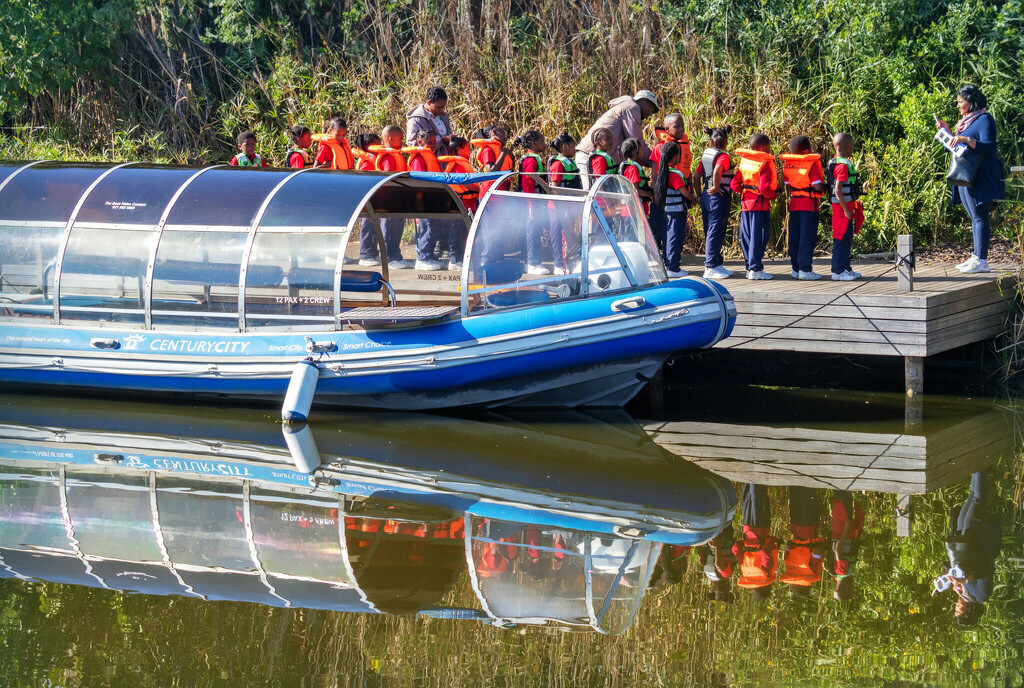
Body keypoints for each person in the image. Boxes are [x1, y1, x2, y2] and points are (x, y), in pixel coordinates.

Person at [936, 84, 1006, 274]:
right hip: (965, 174)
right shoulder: (966, 122)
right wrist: (948, 132)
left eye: (961, 101)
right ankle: (976, 256)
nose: (958, 105)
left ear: (972, 102)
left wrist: (965, 139)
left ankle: (982, 260)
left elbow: (990, 147)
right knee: (973, 217)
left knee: (980, 217)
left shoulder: (984, 119)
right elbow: (953, 146)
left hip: (980, 175)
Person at [933, 470, 1002, 627]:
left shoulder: (961, 591)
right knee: (978, 500)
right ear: (970, 611)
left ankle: (976, 466)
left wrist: (947, 578)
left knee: (971, 497)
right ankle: (980, 465)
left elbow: (952, 564)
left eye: (955, 610)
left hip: (963, 540)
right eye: (959, 611)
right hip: (977, 539)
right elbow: (986, 570)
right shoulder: (980, 596)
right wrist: (964, 579)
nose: (956, 607)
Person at [575, 90, 659, 186]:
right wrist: (654, 161)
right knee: (592, 196)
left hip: (594, 158)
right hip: (592, 159)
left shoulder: (625, 106)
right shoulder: (632, 107)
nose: (650, 113)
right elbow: (636, 142)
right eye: (651, 108)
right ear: (644, 101)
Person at [731, 134, 778, 280]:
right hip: (760, 205)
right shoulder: (764, 163)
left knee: (747, 237)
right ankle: (755, 269)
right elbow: (764, 187)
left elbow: (734, 184)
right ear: (764, 147)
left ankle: (749, 267)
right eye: (769, 146)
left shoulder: (745, 161)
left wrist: (747, 190)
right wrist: (774, 195)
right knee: (759, 237)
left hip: (746, 204)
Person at [780, 136, 827, 280]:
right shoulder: (811, 163)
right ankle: (805, 269)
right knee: (807, 238)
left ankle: (796, 269)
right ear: (807, 149)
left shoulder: (788, 163)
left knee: (795, 237)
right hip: (809, 203)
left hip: (795, 203)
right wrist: (827, 186)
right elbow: (818, 186)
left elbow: (788, 185)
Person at [406, 131, 453, 271]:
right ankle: (423, 258)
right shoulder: (419, 159)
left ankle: (429, 255)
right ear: (420, 142)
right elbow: (418, 181)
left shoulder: (430, 156)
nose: (433, 145)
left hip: (433, 199)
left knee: (433, 228)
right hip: (424, 201)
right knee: (427, 228)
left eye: (434, 142)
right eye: (429, 142)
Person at [367, 126, 412, 270]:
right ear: (391, 139)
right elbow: (388, 177)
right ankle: (390, 257)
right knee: (389, 228)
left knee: (397, 227)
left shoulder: (394, 155)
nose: (402, 141)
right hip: (388, 199)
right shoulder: (387, 157)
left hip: (396, 199)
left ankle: (396, 255)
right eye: (400, 139)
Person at [651, 142, 694, 278]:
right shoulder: (675, 174)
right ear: (674, 156)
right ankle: (673, 267)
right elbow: (684, 192)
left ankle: (668, 264)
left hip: (667, 211)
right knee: (674, 239)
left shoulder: (662, 172)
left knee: (668, 237)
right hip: (676, 211)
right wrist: (693, 198)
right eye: (678, 155)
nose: (679, 158)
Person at [698, 126, 735, 280]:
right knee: (715, 231)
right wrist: (716, 186)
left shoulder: (706, 155)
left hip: (706, 196)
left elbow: (696, 176)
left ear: (710, 140)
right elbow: (718, 170)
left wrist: (699, 194)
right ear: (726, 141)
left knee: (710, 231)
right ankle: (711, 266)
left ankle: (716, 263)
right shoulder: (723, 157)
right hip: (718, 197)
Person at [732, 483, 778, 603]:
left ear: (766, 586)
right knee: (748, 498)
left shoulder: (766, 572)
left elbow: (767, 551)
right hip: (747, 529)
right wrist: (746, 542)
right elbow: (736, 548)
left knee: (760, 496)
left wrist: (773, 541)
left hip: (762, 528)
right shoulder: (745, 571)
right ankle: (747, 478)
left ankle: (757, 474)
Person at [827, 133, 864, 281]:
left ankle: (846, 268)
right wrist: (846, 210)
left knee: (847, 238)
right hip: (842, 209)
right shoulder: (842, 166)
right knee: (840, 238)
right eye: (853, 147)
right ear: (847, 147)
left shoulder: (837, 162)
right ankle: (837, 271)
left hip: (845, 207)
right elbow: (837, 190)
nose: (853, 149)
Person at [514, 130, 549, 275]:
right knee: (532, 231)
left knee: (536, 230)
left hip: (537, 201)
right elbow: (528, 183)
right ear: (534, 143)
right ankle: (532, 262)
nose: (544, 144)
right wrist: (531, 205)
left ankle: (533, 261)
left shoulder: (536, 159)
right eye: (542, 141)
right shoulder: (530, 160)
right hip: (532, 202)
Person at [780, 486, 826, 597]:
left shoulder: (812, 571)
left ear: (807, 585)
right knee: (795, 494)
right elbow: (788, 547)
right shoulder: (790, 569)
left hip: (809, 527)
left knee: (807, 494)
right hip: (795, 528)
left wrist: (828, 544)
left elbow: (817, 551)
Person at [547, 132, 581, 273]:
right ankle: (559, 265)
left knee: (570, 234)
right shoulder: (557, 165)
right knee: (558, 233)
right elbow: (555, 187)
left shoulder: (569, 162)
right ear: (565, 147)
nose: (575, 148)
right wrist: (562, 206)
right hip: (558, 206)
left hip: (569, 205)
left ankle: (571, 261)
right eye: (573, 145)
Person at [828, 490, 864, 602]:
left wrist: (845, 532)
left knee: (844, 505)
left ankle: (842, 486)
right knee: (841, 504)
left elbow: (838, 551)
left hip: (844, 533)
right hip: (840, 533)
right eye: (835, 589)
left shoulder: (843, 572)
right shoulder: (839, 573)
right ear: (838, 588)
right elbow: (837, 551)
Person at [406, 86, 453, 156]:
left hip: (446, 162)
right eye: (439, 107)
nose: (441, 110)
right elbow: (413, 145)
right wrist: (441, 140)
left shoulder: (443, 116)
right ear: (428, 102)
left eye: (443, 107)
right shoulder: (416, 120)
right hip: (429, 163)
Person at [619, 138, 652, 208]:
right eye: (641, 150)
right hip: (634, 210)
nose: (643, 152)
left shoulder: (632, 166)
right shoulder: (632, 169)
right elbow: (635, 190)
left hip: (635, 209)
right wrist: (649, 194)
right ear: (634, 152)